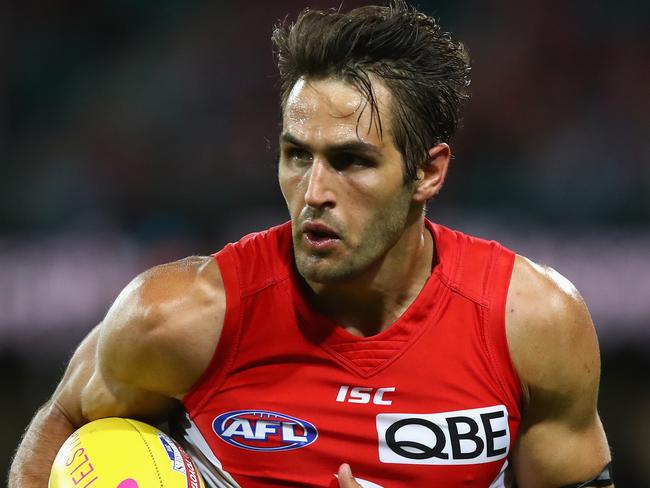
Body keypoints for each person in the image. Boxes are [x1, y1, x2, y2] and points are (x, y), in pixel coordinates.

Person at [9, 1, 614, 487]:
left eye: (351, 161)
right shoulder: (178, 316)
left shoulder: (532, 323)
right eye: (297, 155)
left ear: (428, 173)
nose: (314, 191)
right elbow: (64, 420)